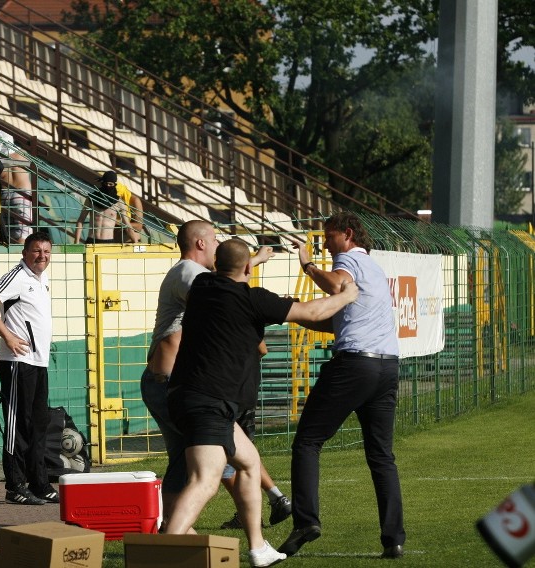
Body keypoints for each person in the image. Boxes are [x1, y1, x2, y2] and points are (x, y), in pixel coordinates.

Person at [164, 238, 359, 567]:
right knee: (206, 479)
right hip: (210, 400)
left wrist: (252, 259)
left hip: (187, 396)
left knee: (250, 463)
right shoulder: (253, 300)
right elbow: (312, 311)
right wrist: (347, 296)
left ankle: (258, 548)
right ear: (249, 268)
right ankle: (165, 551)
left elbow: (230, 267)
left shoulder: (201, 285)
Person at [141, 220, 290, 527]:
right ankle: (177, 531)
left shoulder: (197, 276)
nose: (218, 244)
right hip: (173, 383)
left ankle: (259, 510)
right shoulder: (190, 275)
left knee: (203, 457)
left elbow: (226, 286)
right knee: (210, 458)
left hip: (177, 382)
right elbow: (226, 301)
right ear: (200, 244)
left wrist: (251, 262)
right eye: (214, 239)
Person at [278, 212, 405, 559]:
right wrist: (303, 314)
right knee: (382, 456)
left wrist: (308, 265)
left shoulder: (346, 260)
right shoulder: (375, 269)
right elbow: (342, 319)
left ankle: (306, 521)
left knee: (307, 441)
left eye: (328, 237)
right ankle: (393, 538)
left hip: (354, 364)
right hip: (387, 366)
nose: (325, 244)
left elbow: (335, 286)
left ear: (348, 235)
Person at [0, 232, 58, 506]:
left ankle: (39, 483)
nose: (42, 256)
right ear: (25, 253)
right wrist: (8, 337)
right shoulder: (17, 276)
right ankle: (14, 485)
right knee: (17, 424)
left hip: (38, 362)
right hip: (17, 363)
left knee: (38, 423)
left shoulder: (41, 279)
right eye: (36, 251)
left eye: (46, 251)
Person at [73, 171, 140, 244]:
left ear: (114, 184)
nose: (108, 186)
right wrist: (76, 242)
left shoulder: (119, 203)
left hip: (108, 242)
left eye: (110, 184)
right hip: (92, 241)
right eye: (106, 183)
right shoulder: (92, 199)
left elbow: (127, 225)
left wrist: (135, 243)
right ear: (102, 183)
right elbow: (81, 220)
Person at [0, 130, 34, 245]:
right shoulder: (21, 154)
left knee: (7, 233)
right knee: (23, 233)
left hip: (4, 195)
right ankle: (20, 260)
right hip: (21, 194)